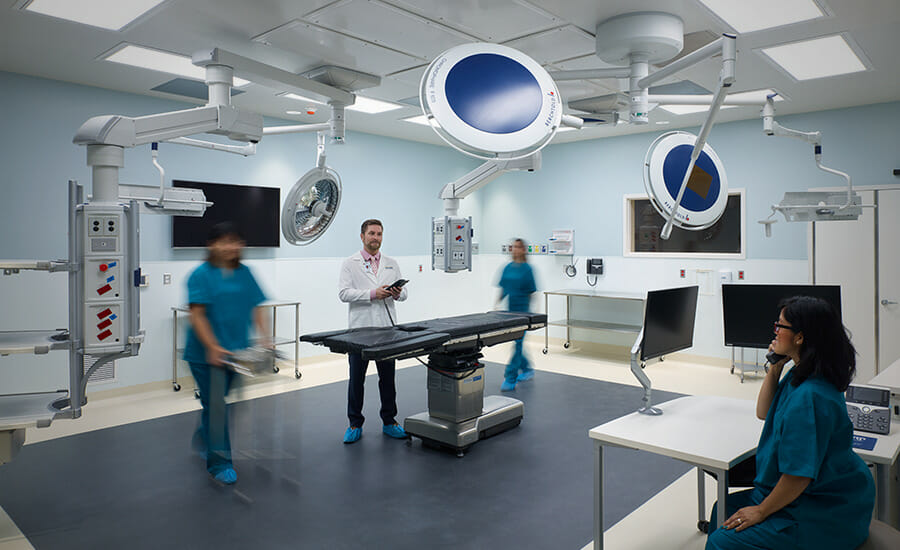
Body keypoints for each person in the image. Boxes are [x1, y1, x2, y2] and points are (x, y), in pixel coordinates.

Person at [706, 296, 874, 550]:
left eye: (779, 326)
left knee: (722, 541)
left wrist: (761, 511)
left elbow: (798, 476)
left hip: (825, 510)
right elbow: (764, 412)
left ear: (799, 337)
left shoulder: (811, 397)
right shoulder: (801, 372)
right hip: (814, 492)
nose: (774, 331)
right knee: (723, 507)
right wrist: (774, 368)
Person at [183, 222, 267, 484]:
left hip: (236, 353)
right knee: (217, 407)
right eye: (225, 241)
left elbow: (257, 307)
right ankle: (219, 464)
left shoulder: (246, 273)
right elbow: (197, 316)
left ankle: (205, 434)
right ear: (212, 244)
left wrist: (266, 339)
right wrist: (212, 347)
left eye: (236, 241)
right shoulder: (200, 275)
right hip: (204, 355)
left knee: (219, 404)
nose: (231, 246)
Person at [338, 219, 409, 444]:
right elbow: (343, 294)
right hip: (360, 330)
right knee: (356, 379)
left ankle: (389, 421)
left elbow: (405, 294)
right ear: (362, 236)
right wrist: (372, 294)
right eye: (371, 233)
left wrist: (396, 292)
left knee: (388, 378)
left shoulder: (391, 263)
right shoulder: (350, 263)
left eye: (379, 234)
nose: (375, 238)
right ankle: (354, 423)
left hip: (387, 330)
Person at [497, 238, 537, 392]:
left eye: (518, 247)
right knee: (517, 342)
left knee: (518, 343)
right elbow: (504, 287)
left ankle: (510, 376)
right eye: (513, 246)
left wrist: (532, 315)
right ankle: (527, 369)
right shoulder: (507, 267)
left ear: (523, 250)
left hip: (523, 310)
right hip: (509, 310)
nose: (515, 249)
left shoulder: (527, 269)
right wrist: (497, 303)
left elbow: (532, 291)